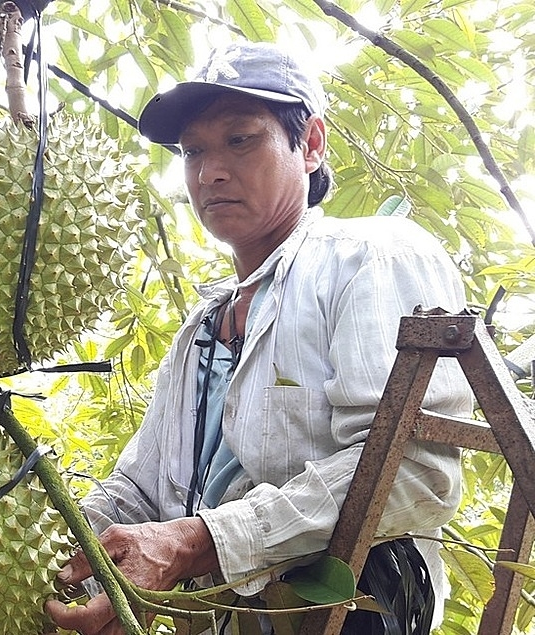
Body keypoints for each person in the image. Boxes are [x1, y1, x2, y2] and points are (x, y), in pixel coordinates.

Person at [45, 41, 472, 635]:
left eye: (241, 140)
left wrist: (202, 541)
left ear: (312, 144)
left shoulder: (370, 255)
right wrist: (53, 550)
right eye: (193, 151)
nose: (210, 171)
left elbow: (412, 470)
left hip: (354, 609)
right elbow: (140, 489)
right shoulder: (201, 329)